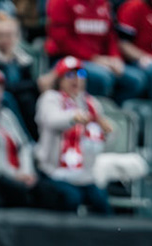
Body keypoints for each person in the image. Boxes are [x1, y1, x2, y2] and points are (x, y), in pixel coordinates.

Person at [0, 65, 74, 209]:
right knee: (22, 195)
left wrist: (26, 172)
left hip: (20, 174)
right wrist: (14, 175)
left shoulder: (5, 114)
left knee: (54, 193)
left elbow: (24, 145)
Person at [33, 58, 115, 213]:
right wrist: (73, 117)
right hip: (54, 171)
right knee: (71, 198)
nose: (76, 79)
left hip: (84, 175)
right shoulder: (50, 98)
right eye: (69, 75)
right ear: (60, 79)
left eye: (80, 74)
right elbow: (52, 120)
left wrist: (107, 131)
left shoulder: (92, 103)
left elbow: (103, 143)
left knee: (102, 202)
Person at [45, 0, 146, 101]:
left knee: (136, 80)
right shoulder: (60, 2)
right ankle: (89, 110)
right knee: (102, 78)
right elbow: (62, 40)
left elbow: (110, 35)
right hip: (68, 60)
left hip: (101, 60)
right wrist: (93, 58)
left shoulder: (103, 3)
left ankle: (114, 112)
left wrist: (115, 57)